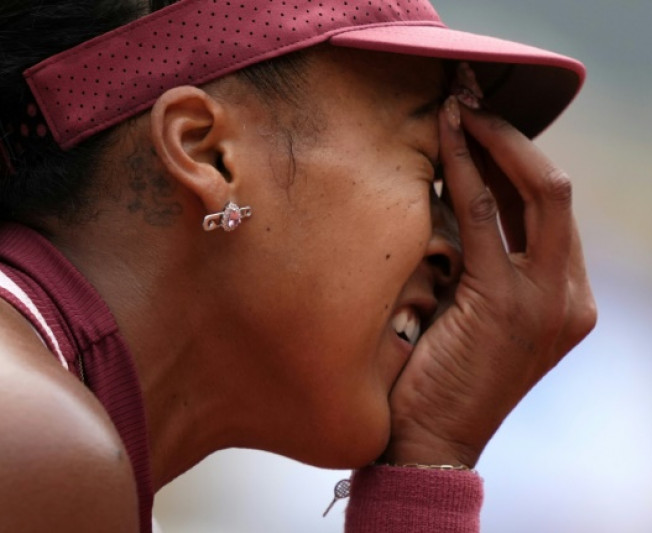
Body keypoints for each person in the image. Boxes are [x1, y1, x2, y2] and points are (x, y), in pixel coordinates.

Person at [0, 0, 596, 531]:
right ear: (209, 152)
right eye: (430, 165)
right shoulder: (35, 443)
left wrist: (430, 455)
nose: (458, 252)